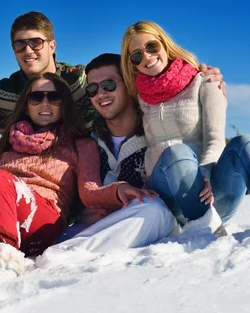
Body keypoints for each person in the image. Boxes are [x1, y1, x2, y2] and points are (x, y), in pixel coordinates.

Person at [0, 72, 151, 313]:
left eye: (53, 98)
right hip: (0, 209)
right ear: (27, 104)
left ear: (63, 104)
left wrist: (120, 190)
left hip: (42, 216)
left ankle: (1, 269)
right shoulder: (9, 141)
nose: (45, 103)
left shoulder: (80, 144)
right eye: (36, 97)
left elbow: (89, 192)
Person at [120, 21, 250, 234]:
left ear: (165, 45)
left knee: (244, 142)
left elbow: (215, 138)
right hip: (168, 196)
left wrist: (206, 175)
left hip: (211, 193)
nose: (146, 57)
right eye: (136, 55)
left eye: (151, 47)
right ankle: (205, 230)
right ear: (132, 64)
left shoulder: (205, 81)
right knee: (175, 150)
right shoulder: (138, 97)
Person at [0, 11, 224, 133]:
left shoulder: (82, 79)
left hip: (94, 168)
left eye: (36, 42)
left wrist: (198, 78)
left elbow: (142, 76)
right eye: (20, 44)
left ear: (52, 46)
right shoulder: (2, 94)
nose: (28, 50)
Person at [44, 53, 175, 255]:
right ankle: (64, 255)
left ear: (130, 85)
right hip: (88, 231)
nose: (101, 94)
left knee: (154, 209)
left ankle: (68, 257)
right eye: (92, 89)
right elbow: (83, 193)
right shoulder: (87, 142)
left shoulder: (157, 133)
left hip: (144, 222)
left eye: (109, 85)